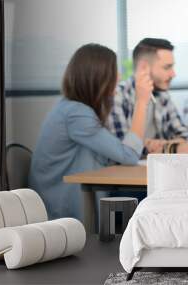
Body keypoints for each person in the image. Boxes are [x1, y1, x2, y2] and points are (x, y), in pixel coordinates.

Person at [29, 43, 150, 220]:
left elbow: (113, 154)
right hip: (63, 211)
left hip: (80, 198)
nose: (118, 76)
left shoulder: (74, 109)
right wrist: (142, 102)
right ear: (98, 77)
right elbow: (129, 154)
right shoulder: (76, 114)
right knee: (149, 201)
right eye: (113, 71)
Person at [108, 38, 188, 154]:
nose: (173, 74)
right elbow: (123, 150)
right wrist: (170, 148)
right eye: (167, 67)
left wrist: (157, 144)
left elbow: (187, 137)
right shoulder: (118, 97)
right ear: (143, 67)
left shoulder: (162, 95)